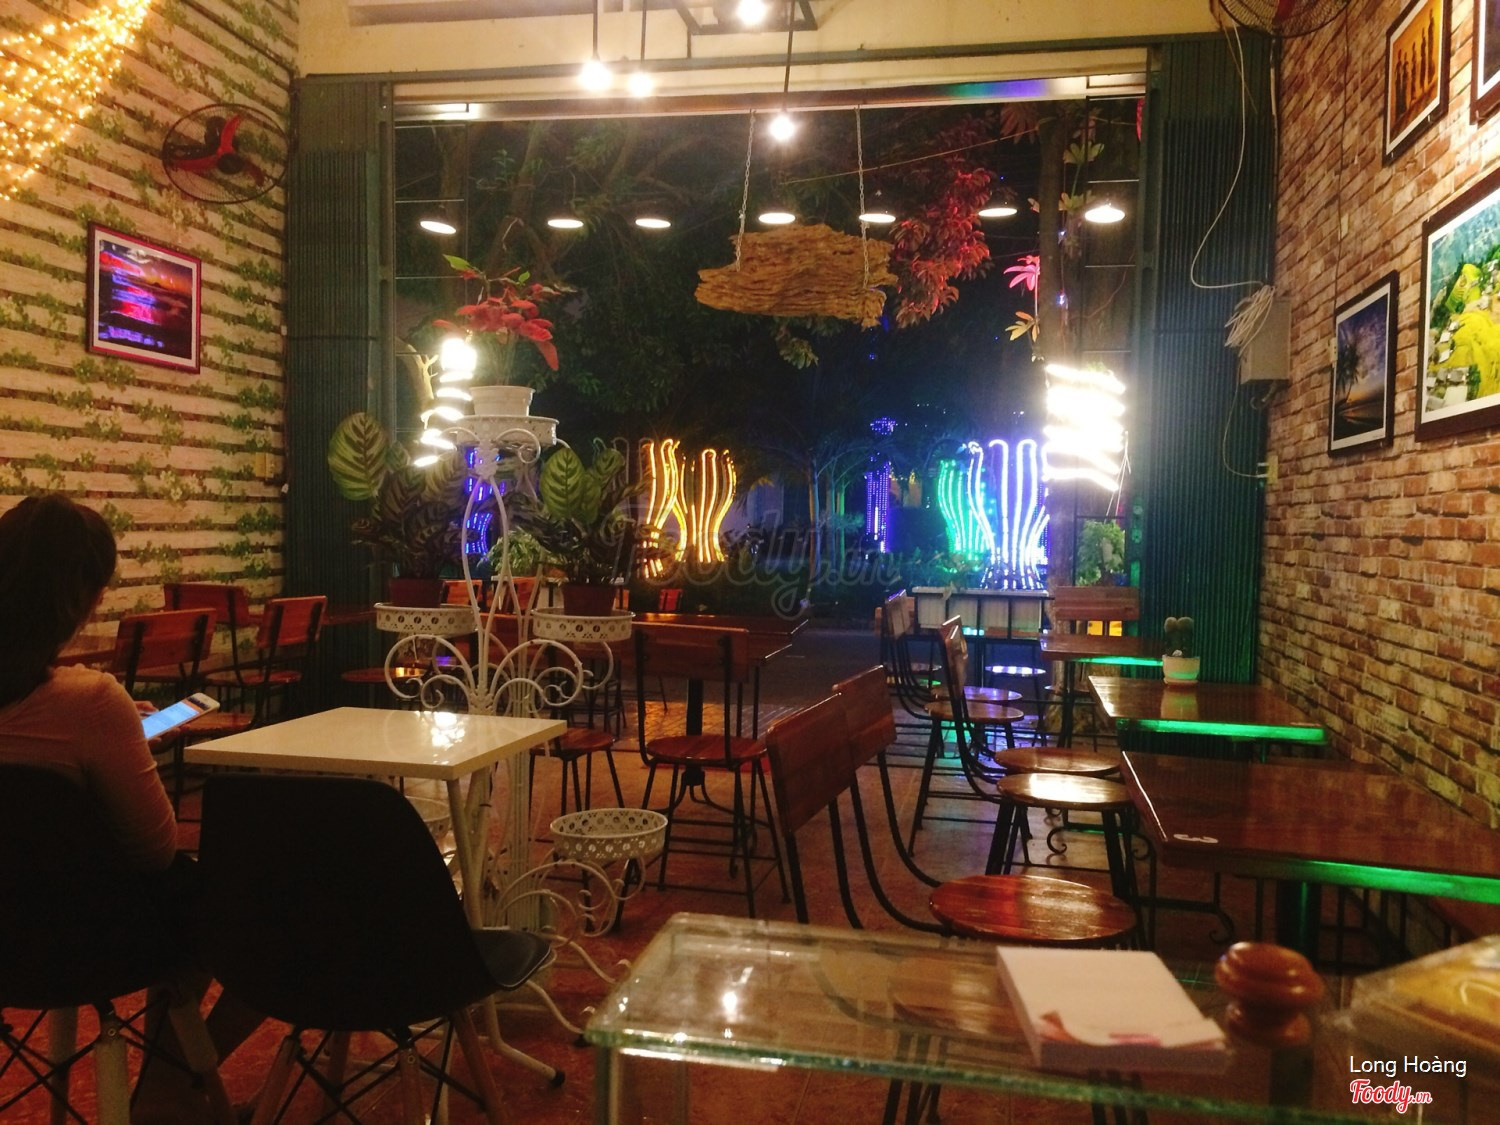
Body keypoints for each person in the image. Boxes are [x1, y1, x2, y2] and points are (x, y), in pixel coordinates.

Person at [0, 493, 259, 1123]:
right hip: (92, 942)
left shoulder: (86, 707)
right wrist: (122, 742)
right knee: (260, 911)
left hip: (10, 938)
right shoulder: (91, 702)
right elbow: (154, 850)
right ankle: (168, 1095)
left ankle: (171, 1096)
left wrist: (113, 742)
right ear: (84, 597)